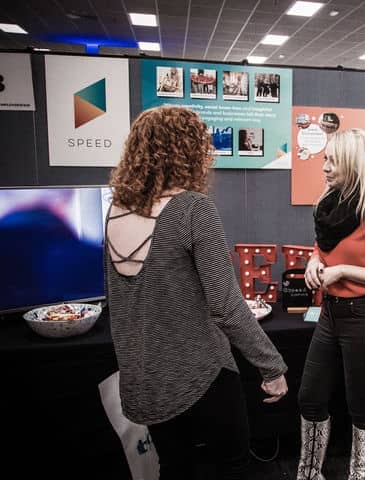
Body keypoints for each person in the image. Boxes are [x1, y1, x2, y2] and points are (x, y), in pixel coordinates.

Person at [105, 106, 289, 479]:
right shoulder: (193, 209)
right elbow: (227, 306)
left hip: (146, 378)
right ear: (188, 151)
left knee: (175, 468)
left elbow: (123, 303)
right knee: (234, 467)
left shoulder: (116, 211)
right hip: (201, 373)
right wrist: (271, 365)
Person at [299, 128, 365, 480]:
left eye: (334, 161)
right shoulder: (328, 206)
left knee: (360, 408)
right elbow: (322, 247)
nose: (325, 167)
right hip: (331, 313)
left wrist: (343, 270)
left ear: (355, 164)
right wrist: (314, 261)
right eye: (325, 159)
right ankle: (309, 474)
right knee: (310, 398)